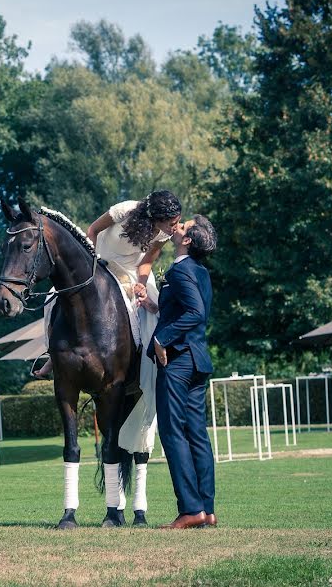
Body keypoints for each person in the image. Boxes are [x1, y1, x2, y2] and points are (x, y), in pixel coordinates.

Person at [34, 190, 181, 520]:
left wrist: (142, 284)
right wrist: (90, 262)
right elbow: (92, 230)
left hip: (129, 277)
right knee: (52, 299)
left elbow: (146, 263)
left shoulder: (160, 234)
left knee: (152, 314)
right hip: (96, 266)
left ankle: (145, 360)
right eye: (170, 222)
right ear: (154, 216)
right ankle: (50, 353)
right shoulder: (124, 211)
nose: (175, 227)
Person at [147, 214, 217, 530]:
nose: (178, 226)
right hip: (198, 359)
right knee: (197, 435)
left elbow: (195, 313)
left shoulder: (181, 270)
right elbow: (180, 309)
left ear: (187, 240)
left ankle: (190, 510)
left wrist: (161, 338)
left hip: (178, 360)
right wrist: (150, 303)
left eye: (184, 226)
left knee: (173, 432)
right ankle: (206, 510)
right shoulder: (199, 272)